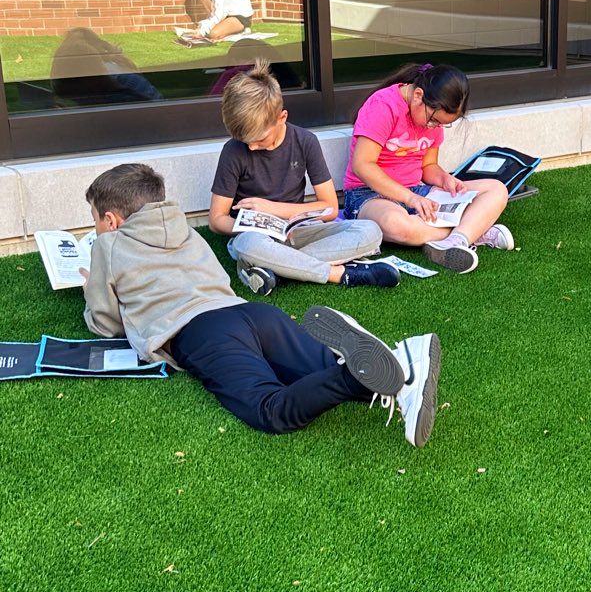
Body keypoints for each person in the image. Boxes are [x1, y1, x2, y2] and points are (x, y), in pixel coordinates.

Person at [81, 163, 439, 445]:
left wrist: (91, 284)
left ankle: (351, 376)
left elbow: (105, 322)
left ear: (110, 220)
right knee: (317, 373)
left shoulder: (108, 245)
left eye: (97, 220)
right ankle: (401, 368)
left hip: (201, 332)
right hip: (251, 313)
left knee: (271, 411)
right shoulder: (186, 232)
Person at [210, 60, 400, 296]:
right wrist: (251, 222)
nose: (251, 146)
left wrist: (272, 209)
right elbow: (217, 219)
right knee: (248, 245)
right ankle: (339, 274)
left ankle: (275, 269)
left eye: (259, 139)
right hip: (256, 237)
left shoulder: (305, 141)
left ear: (282, 117)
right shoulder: (233, 150)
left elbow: (330, 208)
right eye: (245, 140)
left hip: (298, 231)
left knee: (370, 231)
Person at [343, 62, 513, 274]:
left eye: (442, 124)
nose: (434, 127)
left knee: (496, 189)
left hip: (417, 192)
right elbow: (362, 165)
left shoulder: (433, 118)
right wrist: (410, 198)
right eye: (434, 121)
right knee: (397, 224)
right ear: (418, 96)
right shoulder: (383, 105)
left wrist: (444, 179)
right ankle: (474, 231)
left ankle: (456, 239)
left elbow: (428, 166)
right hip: (368, 195)